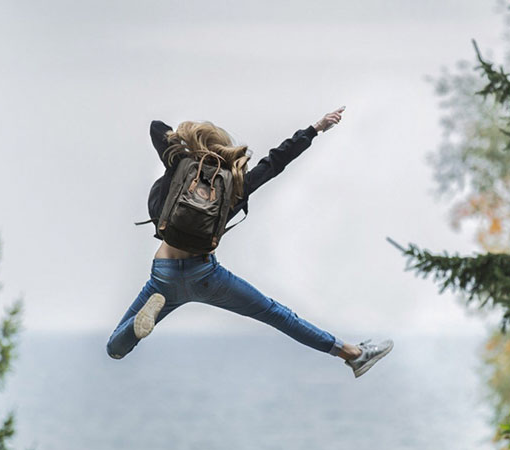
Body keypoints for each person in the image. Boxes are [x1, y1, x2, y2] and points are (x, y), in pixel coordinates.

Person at [105, 106, 394, 378]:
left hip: (164, 275)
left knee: (115, 349)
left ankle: (139, 324)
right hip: (205, 275)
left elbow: (157, 128)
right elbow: (276, 162)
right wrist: (315, 128)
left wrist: (187, 145)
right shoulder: (235, 184)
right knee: (276, 314)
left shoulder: (179, 165)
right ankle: (353, 354)